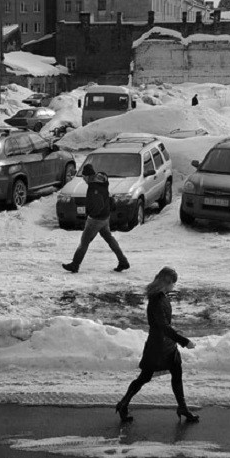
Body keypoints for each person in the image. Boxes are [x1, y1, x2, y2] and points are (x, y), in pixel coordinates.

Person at [115, 267, 199, 423]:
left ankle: (182, 407)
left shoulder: (161, 296)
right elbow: (163, 327)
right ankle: (123, 404)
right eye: (172, 284)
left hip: (167, 344)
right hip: (158, 346)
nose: (173, 287)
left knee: (177, 372)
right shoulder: (156, 300)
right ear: (166, 283)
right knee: (144, 377)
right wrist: (184, 341)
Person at [63, 164, 130, 274]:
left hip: (95, 220)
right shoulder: (101, 182)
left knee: (84, 242)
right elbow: (108, 197)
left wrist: (92, 214)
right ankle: (123, 261)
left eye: (84, 177)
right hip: (105, 217)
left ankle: (75, 265)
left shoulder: (94, 187)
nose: (83, 180)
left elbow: (98, 203)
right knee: (109, 239)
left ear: (87, 176)